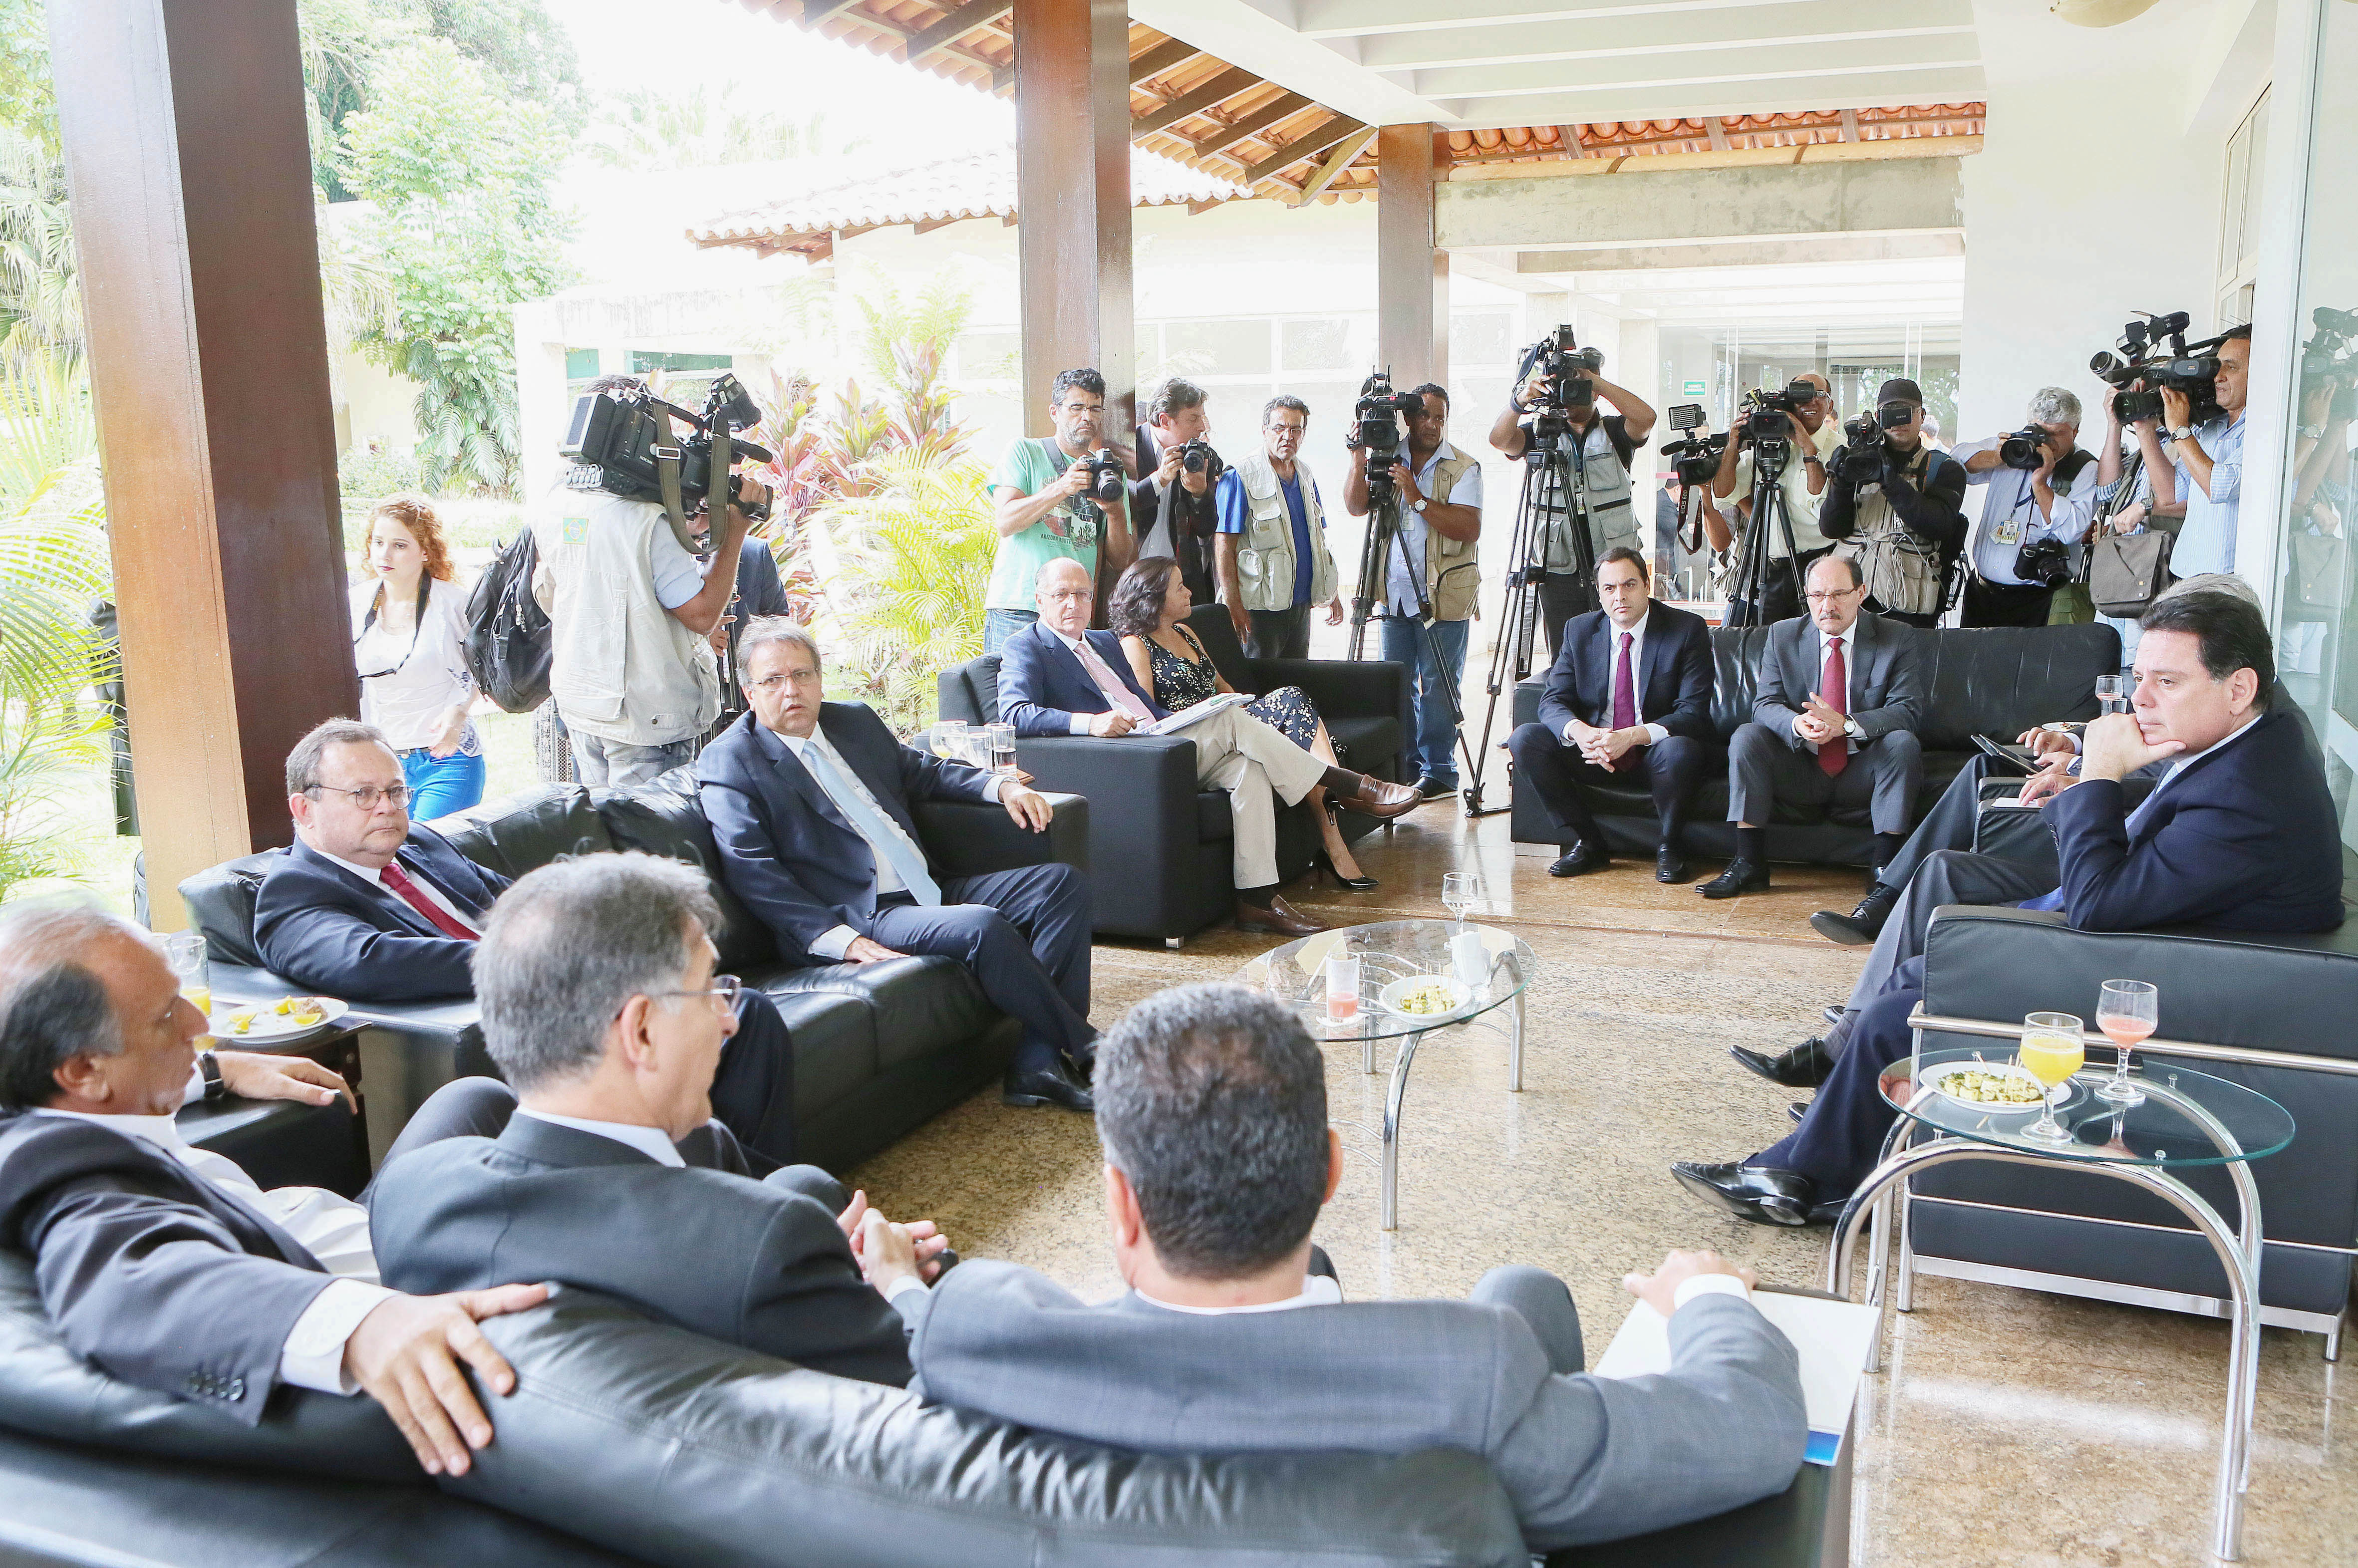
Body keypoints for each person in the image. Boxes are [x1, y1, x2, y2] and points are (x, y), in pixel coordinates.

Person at [900, 983, 1808, 1551]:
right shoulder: (1472, 1378)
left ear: (1119, 1201)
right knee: (1521, 1294)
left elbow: (911, 1326)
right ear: (1330, 1170)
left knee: (1513, 1293)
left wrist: (897, 1280)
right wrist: (1707, 1295)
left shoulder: (974, 1338)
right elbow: (1753, 1427)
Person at [1679, 591, 2345, 1226]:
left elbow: (2098, 905)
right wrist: (2087, 783)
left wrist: (2099, 774)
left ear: (2238, 688)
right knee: (1918, 970)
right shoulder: (2252, 745)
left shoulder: (2249, 793)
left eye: (2167, 682)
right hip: (2159, 941)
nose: (2140, 699)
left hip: (2163, 982)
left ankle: (1805, 1174)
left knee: (1905, 1000)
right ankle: (1819, 1150)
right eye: (2139, 677)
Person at [0, 903, 549, 1477]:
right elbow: (132, 1288)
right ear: (83, 1071)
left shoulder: (66, 1094)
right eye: (166, 1016)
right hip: (379, 1280)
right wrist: (365, 1325)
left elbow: (151, 1063)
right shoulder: (68, 1181)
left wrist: (217, 1070)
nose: (199, 1025)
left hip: (325, 1217)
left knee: (472, 1098)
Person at [368, 854, 944, 1385]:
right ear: (640, 1031)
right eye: (712, 989)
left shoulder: (407, 1193)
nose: (731, 1020)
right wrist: (896, 1282)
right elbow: (932, 1376)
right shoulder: (758, 1244)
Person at [253, 719, 801, 1165]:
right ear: (304, 809)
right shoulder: (294, 893)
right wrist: (542, 959)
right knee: (726, 1015)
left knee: (743, 1013)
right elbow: (371, 962)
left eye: (396, 791)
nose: (388, 807)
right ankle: (753, 1199)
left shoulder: (421, 846)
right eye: (363, 794)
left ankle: (740, 1187)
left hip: (578, 997)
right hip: (527, 1031)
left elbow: (525, 902)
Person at [696, 619, 1097, 1114]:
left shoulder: (852, 722)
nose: (791, 690)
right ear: (749, 692)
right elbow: (751, 867)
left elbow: (922, 770)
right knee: (982, 926)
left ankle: (1037, 1060)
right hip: (862, 912)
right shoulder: (730, 761)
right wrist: (838, 939)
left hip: (928, 884)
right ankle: (1091, 1047)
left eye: (801, 675)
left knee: (1061, 886)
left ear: (819, 680)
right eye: (773, 680)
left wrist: (1002, 786)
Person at [997, 559, 1418, 938]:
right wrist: (1090, 723)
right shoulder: (1026, 645)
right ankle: (1348, 785)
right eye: (1061, 595)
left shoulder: (1103, 642)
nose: (1073, 603)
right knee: (1232, 720)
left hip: (1158, 742)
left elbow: (1144, 707)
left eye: (1082, 594)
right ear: (1039, 600)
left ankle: (1257, 900)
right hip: (1121, 763)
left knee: (1249, 769)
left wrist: (1183, 718)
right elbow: (1014, 713)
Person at [1112, 557, 1376, 892]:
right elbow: (1149, 717)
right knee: (1292, 706)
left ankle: (1334, 811)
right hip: (1192, 740)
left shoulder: (1186, 633)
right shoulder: (1135, 644)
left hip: (1229, 724)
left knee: (1295, 709)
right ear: (1155, 598)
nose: (1190, 592)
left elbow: (1224, 688)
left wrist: (1247, 713)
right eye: (1180, 588)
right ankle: (1339, 794)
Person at [1696, 553, 1922, 901]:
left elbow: (1907, 711)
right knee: (1747, 736)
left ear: (1861, 593)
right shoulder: (1783, 635)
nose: (1827, 606)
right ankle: (1749, 862)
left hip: (1862, 767)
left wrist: (1846, 725)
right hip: (1801, 765)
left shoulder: (1897, 637)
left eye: (1839, 594)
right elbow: (1764, 705)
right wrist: (1797, 724)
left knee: (1903, 743)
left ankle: (1885, 866)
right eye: (1818, 595)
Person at [1507, 548, 1715, 884]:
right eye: (1610, 588)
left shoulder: (1686, 629)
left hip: (1653, 752)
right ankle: (1588, 842)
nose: (1620, 596)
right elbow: (1553, 700)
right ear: (1600, 593)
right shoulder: (1579, 630)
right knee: (1525, 738)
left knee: (1681, 750)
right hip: (1596, 752)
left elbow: (1693, 712)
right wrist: (1581, 733)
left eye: (1629, 585)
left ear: (1647, 585)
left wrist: (1630, 737)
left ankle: (1670, 846)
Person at [1347, 383, 1480, 800]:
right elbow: (1356, 506)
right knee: (1396, 682)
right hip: (1393, 594)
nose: (1432, 425)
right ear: (1407, 418)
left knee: (1439, 686)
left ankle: (1439, 772)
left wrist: (1417, 498)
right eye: (1424, 415)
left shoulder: (1463, 467)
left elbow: (1468, 528)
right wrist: (1358, 455)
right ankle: (1403, 766)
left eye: (1440, 417)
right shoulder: (1387, 458)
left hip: (1444, 596)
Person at [1487, 354, 1657, 653]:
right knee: (1565, 655)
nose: (1570, 396)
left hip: (1613, 566)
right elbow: (1500, 439)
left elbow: (1647, 418)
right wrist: (1521, 399)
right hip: (1559, 568)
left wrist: (1597, 383)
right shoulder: (1542, 434)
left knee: (1621, 651)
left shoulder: (1615, 432)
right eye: (1564, 387)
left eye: (1577, 387)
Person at [984, 368, 1135, 656]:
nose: (1086, 417)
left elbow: (1120, 559)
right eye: (1076, 408)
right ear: (1055, 412)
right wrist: (1062, 487)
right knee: (1012, 684)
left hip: (1073, 609)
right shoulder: (1025, 452)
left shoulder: (1109, 472)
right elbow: (1005, 522)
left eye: (1095, 409)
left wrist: (1116, 513)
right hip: (1020, 606)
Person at [349, 496, 483, 818]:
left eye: (399, 545)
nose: (384, 554)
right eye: (378, 542)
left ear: (425, 551)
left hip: (447, 758)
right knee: (388, 850)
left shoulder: (454, 603)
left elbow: (485, 670)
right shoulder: (354, 603)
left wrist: (458, 713)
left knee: (425, 846)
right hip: (381, 765)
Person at [1819, 378, 1969, 628]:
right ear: (1878, 417)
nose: (1899, 422)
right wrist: (1840, 484)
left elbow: (1939, 526)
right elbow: (1831, 529)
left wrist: (1891, 483)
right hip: (1853, 601)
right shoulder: (1857, 462)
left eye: (1906, 413)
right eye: (1890, 414)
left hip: (1909, 605)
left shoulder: (1943, 468)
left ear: (1922, 416)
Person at [1954, 389, 2101, 628]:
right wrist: (1998, 456)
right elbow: (1955, 463)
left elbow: (2070, 531)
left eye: (2057, 434)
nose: (2047, 441)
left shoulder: (2086, 468)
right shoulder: (2014, 448)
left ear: (2075, 431)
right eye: (2041, 431)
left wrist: (2041, 482)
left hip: (2039, 601)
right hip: (1981, 594)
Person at [1211, 395, 1343, 660]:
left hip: (1301, 605)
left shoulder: (1306, 474)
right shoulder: (1240, 476)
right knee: (1261, 682)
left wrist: (1332, 594)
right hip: (1259, 609)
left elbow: (1317, 540)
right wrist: (1233, 605)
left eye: (1296, 430)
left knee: (1296, 680)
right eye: (1279, 428)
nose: (1288, 436)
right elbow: (1224, 545)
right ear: (1265, 431)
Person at [1704, 373, 1838, 627]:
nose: (1810, 401)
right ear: (1790, 403)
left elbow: (1823, 508)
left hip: (1817, 566)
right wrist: (1733, 446)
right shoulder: (1766, 443)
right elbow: (1723, 494)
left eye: (1819, 395)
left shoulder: (1839, 448)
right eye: (1801, 395)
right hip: (1769, 568)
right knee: (1769, 642)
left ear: (1830, 405)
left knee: (1813, 642)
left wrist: (1807, 446)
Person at [2123, 324, 2250, 580]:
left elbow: (2219, 487)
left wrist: (2180, 429)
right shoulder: (2212, 427)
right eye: (2218, 367)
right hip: (2186, 570)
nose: (2218, 377)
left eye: (2232, 367)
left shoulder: (2266, 431)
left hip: (2227, 578)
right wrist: (2146, 431)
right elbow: (2171, 494)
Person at [1131, 378, 1221, 608]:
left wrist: (1200, 493)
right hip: (1132, 577)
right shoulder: (1129, 446)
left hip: (1179, 581)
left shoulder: (1201, 456)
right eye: (1194, 418)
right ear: (1165, 421)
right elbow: (1121, 505)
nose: (1202, 427)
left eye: (1202, 417)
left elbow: (1207, 529)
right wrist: (1159, 480)